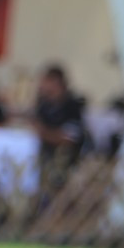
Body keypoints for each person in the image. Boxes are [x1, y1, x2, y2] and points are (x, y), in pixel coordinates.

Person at [32, 63, 88, 200]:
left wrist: (43, 132)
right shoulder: (43, 105)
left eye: (45, 81)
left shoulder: (72, 107)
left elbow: (69, 138)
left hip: (63, 161)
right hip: (42, 156)